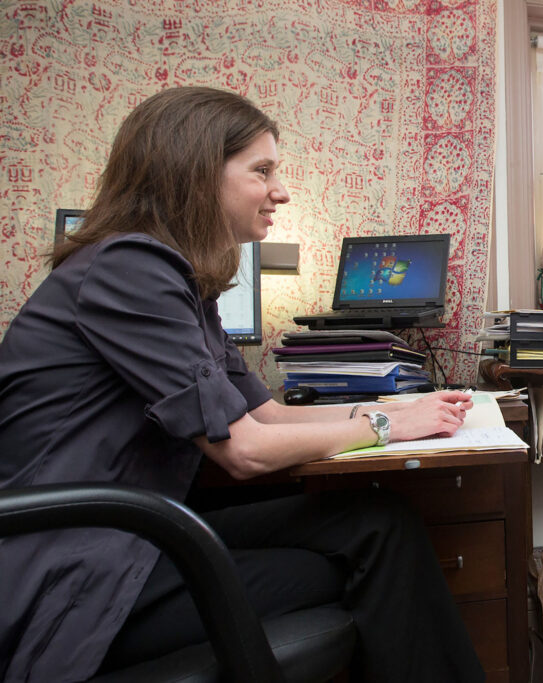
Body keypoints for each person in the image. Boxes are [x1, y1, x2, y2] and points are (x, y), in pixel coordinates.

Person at [0, 86, 483, 682]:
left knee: (379, 520)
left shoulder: (183, 284)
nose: (280, 191)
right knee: (366, 562)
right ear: (197, 174)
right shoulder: (130, 269)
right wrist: (384, 425)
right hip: (79, 566)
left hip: (141, 531)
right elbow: (246, 451)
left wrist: (397, 404)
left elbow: (268, 417)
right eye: (261, 171)